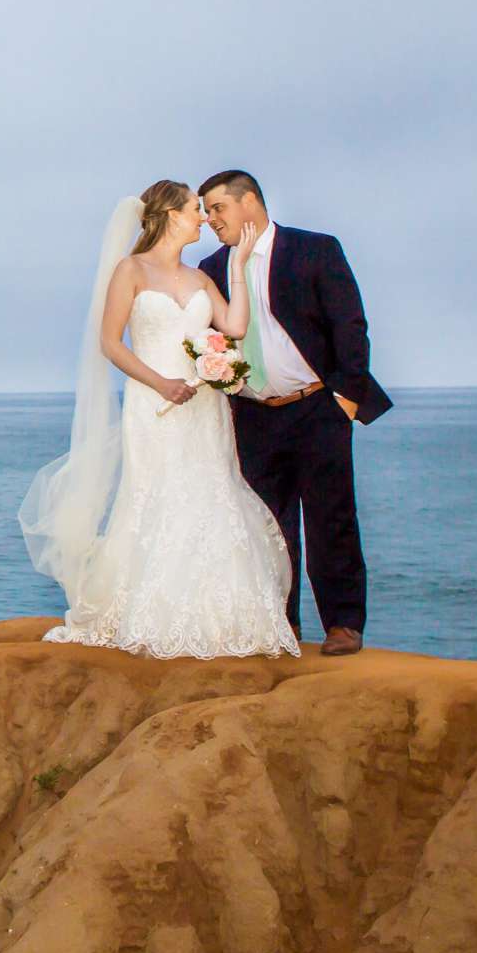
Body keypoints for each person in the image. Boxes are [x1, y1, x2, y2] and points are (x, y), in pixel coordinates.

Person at [20, 180, 299, 660]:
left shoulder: (200, 279)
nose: (204, 219)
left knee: (212, 492)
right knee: (157, 495)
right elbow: (111, 343)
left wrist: (237, 266)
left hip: (204, 407)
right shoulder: (131, 270)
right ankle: (148, 611)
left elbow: (233, 327)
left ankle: (217, 617)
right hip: (154, 405)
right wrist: (160, 383)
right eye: (196, 209)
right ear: (171, 215)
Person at [195, 169, 391, 655]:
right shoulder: (211, 266)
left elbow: (350, 326)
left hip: (317, 406)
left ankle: (343, 624)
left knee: (332, 517)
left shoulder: (315, 250)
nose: (209, 219)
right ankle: (281, 625)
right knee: (266, 524)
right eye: (205, 211)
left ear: (251, 202)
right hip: (253, 413)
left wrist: (343, 400)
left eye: (217, 208)